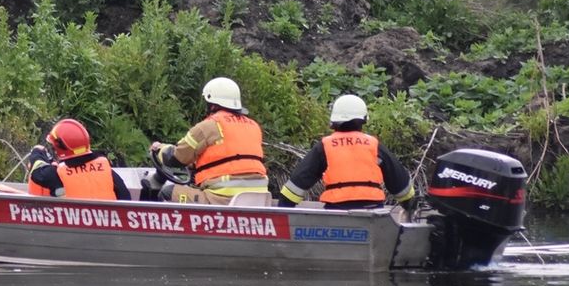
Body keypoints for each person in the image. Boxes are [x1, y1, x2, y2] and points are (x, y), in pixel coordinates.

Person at [277, 94, 414, 210]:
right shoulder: (374, 145)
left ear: (334, 121)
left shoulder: (325, 146)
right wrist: (410, 205)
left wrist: (283, 208)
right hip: (372, 210)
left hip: (336, 211)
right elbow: (400, 184)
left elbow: (298, 182)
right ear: (364, 119)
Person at [146, 77, 271, 204]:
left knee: (168, 193)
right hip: (258, 199)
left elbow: (176, 158)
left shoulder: (209, 126)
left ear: (212, 104)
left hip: (222, 199)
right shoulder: (253, 126)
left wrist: (160, 149)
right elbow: (229, 158)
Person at [26, 119, 131, 200]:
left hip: (73, 224)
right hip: (108, 225)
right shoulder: (105, 168)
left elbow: (37, 173)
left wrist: (37, 153)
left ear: (61, 148)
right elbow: (125, 198)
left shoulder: (58, 174)